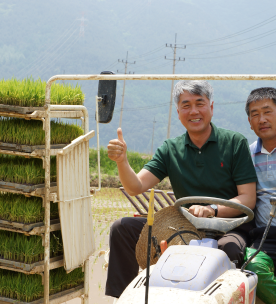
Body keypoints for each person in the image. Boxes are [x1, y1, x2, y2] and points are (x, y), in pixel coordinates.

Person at [105, 80, 258, 299]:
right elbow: (135, 186)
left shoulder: (234, 143)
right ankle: (122, 298)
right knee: (122, 228)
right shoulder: (170, 149)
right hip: (185, 226)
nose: (194, 111)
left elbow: (248, 199)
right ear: (178, 112)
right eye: (186, 105)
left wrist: (212, 209)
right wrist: (122, 161)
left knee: (228, 249)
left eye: (199, 103)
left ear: (211, 108)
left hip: (230, 225)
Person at [244, 87, 276, 304]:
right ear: (249, 122)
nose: (261, 119)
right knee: (251, 267)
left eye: (267, 111)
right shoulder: (247, 154)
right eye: (255, 114)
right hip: (267, 237)